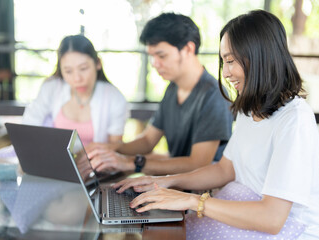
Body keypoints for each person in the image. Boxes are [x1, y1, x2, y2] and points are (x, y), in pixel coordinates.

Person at [113, 10, 319, 239]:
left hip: (290, 228)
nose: (225, 72)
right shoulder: (251, 107)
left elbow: (272, 218)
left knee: (166, 232)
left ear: (259, 56)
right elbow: (225, 169)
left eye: (230, 61)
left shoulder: (294, 119)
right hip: (246, 204)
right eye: (223, 61)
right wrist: (164, 182)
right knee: (158, 228)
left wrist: (192, 199)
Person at [88, 13, 233, 176]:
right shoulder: (172, 88)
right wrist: (112, 148)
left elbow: (198, 163)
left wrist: (130, 163)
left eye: (161, 55)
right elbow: (148, 140)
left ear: (188, 49)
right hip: (175, 184)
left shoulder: (214, 95)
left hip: (202, 193)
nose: (155, 63)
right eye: (152, 56)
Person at [22, 35, 128, 147]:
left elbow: (115, 147)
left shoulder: (114, 98)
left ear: (98, 63)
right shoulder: (51, 88)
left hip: (95, 163)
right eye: (68, 71)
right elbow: (29, 127)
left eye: (83, 69)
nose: (77, 79)